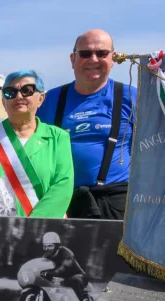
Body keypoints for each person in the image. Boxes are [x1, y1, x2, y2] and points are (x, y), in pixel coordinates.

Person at [37, 29, 137, 220]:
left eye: (101, 53)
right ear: (72, 59)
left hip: (115, 204)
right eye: (85, 53)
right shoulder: (50, 100)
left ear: (113, 58)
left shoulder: (131, 97)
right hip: (62, 203)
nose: (93, 59)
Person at [0, 71, 73, 218]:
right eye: (10, 92)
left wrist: (32, 228)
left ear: (41, 98)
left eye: (27, 90)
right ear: (3, 102)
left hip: (40, 232)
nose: (19, 96)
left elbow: (62, 185)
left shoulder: (58, 138)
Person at [39, 232, 90, 301]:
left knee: (74, 280)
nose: (47, 249)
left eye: (50, 246)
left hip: (79, 276)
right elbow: (40, 265)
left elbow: (63, 268)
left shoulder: (66, 253)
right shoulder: (46, 256)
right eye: (45, 247)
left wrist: (50, 273)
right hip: (62, 278)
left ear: (56, 246)